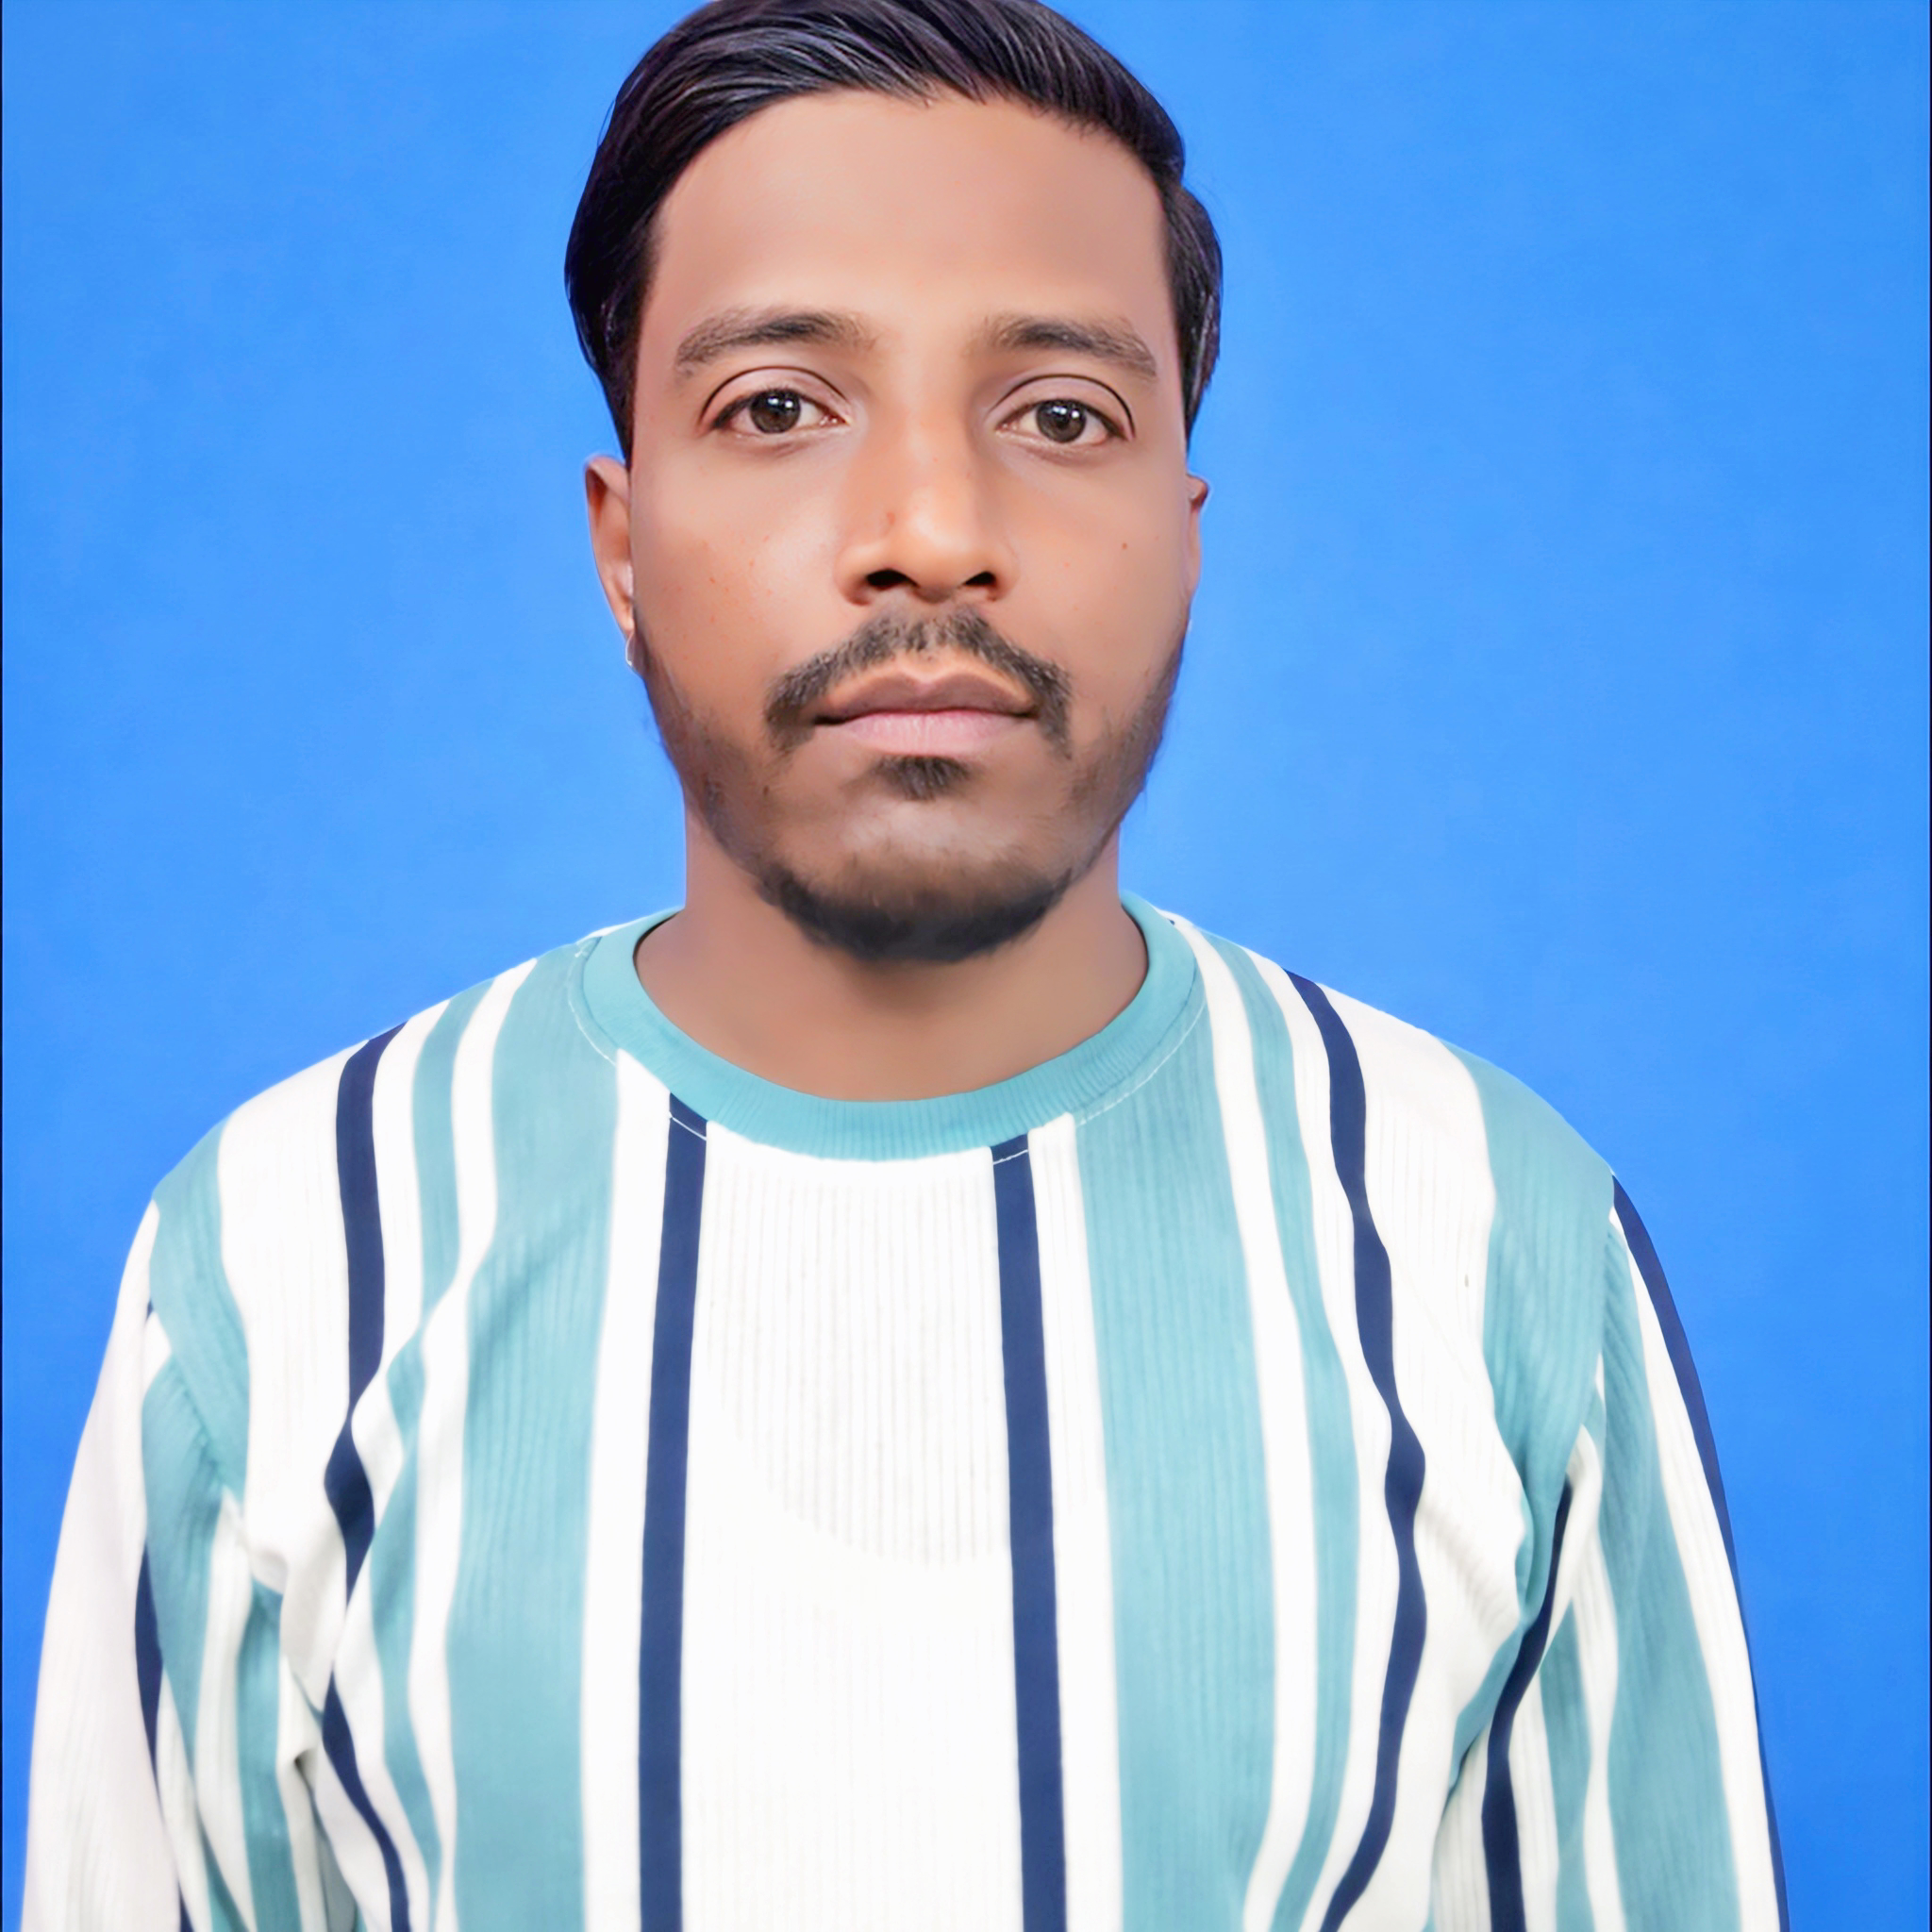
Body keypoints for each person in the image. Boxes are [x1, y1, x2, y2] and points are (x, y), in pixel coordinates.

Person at [24, 2, 1787, 1926]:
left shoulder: (1493, 1249)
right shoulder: (278, 1265)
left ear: (1185, 534)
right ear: (622, 542)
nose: (933, 535)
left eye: (1062, 416)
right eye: (779, 406)